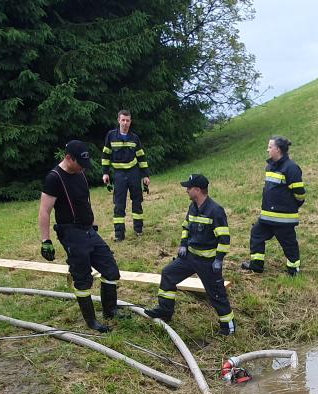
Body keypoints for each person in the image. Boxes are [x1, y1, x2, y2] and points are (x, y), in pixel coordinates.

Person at [39, 140, 121, 333]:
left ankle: (110, 310)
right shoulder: (54, 178)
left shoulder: (80, 172)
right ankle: (91, 321)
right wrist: (46, 240)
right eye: (80, 164)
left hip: (88, 230)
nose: (83, 168)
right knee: (83, 277)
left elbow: (83, 202)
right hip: (70, 233)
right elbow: (44, 211)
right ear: (69, 158)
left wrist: (91, 223)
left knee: (110, 269)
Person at [145, 174, 236, 335]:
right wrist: (183, 245)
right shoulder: (193, 207)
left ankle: (228, 326)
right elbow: (186, 227)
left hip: (208, 262)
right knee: (168, 274)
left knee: (216, 293)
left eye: (189, 187)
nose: (186, 190)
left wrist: (218, 259)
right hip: (189, 257)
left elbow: (224, 238)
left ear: (198, 190)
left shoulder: (215, 211)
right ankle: (165, 311)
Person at [242, 135, 306, 277]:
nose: (267, 150)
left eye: (270, 147)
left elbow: (300, 194)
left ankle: (293, 269)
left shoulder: (291, 168)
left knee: (288, 244)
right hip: (267, 217)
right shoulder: (270, 166)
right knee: (256, 234)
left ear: (278, 149)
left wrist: (289, 207)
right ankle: (256, 265)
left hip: (284, 218)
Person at [101, 110, 151, 241]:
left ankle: (138, 230)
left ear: (130, 122)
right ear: (118, 120)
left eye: (127, 120)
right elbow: (106, 155)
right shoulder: (111, 136)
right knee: (119, 204)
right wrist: (105, 173)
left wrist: (145, 175)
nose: (125, 123)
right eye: (123, 120)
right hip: (119, 174)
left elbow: (141, 157)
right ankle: (119, 235)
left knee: (137, 201)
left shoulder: (135, 138)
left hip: (134, 172)